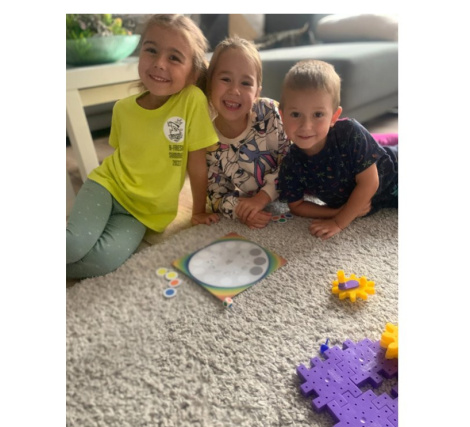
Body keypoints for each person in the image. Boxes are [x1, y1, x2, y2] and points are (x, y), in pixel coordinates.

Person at [66, 14, 219, 279]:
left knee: (102, 263)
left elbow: (197, 164)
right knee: (73, 246)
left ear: (193, 73)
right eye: (151, 50)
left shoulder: (191, 101)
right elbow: (122, 157)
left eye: (174, 57)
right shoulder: (122, 109)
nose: (159, 63)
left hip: (142, 213)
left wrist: (198, 211)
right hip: (106, 187)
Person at [278, 59, 398, 240]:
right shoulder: (290, 162)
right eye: (295, 114)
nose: (306, 126)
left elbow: (370, 183)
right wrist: (335, 212)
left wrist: (339, 221)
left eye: (318, 114)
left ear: (334, 117)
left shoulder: (349, 132)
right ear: (282, 115)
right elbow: (296, 206)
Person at [205, 37, 289, 229]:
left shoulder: (269, 113)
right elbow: (217, 196)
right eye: (225, 79)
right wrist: (241, 210)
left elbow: (292, 162)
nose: (234, 90)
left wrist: (262, 198)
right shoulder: (209, 142)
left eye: (245, 83)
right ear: (210, 84)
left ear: (257, 92)